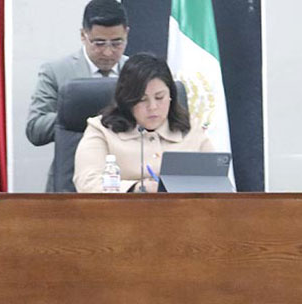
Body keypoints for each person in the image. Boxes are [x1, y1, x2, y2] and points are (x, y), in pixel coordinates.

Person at [25, 0, 129, 191]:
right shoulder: (56, 71)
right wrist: (73, 113)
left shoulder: (137, 73)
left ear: (126, 34)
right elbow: (35, 129)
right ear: (83, 35)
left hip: (125, 181)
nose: (108, 52)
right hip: (70, 183)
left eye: (117, 43)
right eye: (99, 43)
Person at [73, 53, 213, 193]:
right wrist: (136, 188)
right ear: (127, 100)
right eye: (142, 99)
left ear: (171, 96)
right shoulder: (102, 130)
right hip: (123, 206)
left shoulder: (190, 129)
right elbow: (87, 182)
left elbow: (216, 182)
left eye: (159, 97)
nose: (153, 107)